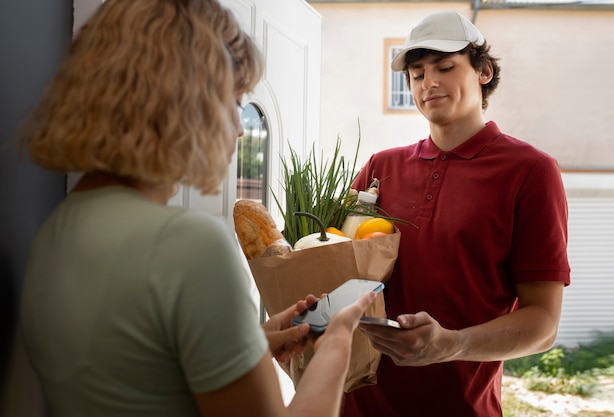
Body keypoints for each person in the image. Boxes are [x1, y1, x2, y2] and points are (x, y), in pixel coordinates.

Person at [18, 1, 376, 417]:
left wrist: (248, 343)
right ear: (189, 100)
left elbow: (131, 371)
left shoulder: (58, 228)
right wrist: (336, 343)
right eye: (235, 99)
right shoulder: (189, 246)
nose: (241, 126)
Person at [341, 11, 570, 417]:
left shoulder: (530, 171)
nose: (428, 83)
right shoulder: (380, 167)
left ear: (483, 72)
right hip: (355, 405)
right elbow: (333, 266)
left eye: (445, 67)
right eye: (415, 74)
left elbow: (543, 324)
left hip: (460, 407)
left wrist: (453, 343)